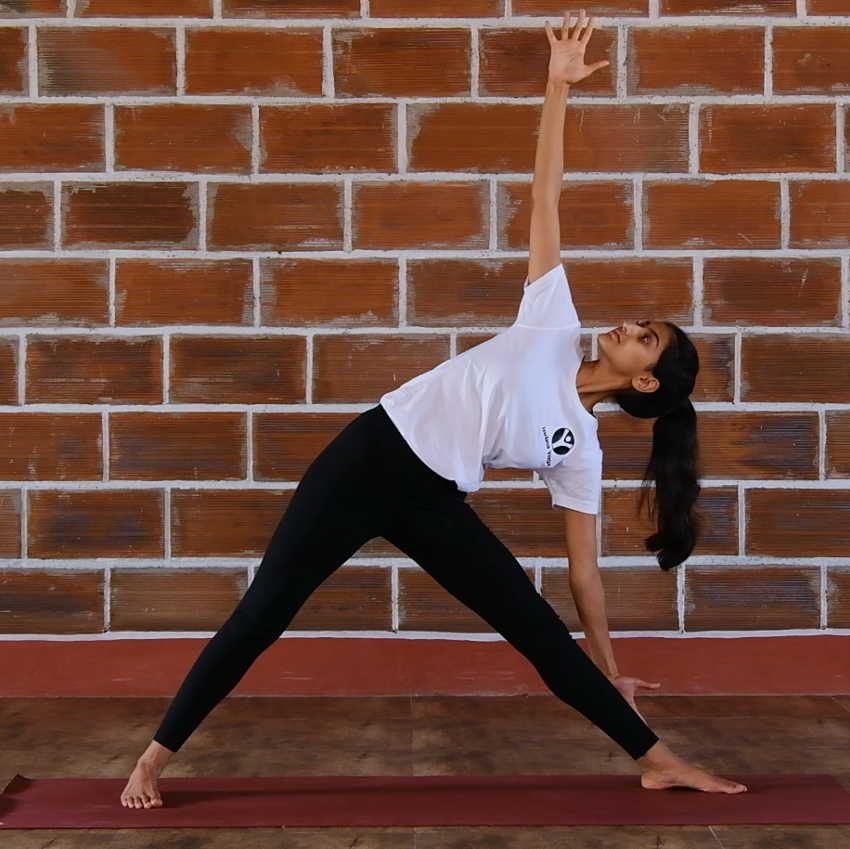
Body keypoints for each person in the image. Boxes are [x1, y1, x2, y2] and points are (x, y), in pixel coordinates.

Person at [121, 9, 746, 809]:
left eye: (645, 338)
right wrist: (558, 90)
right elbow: (546, 193)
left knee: (535, 625)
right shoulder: (551, 322)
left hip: (432, 496)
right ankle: (151, 759)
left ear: (646, 382)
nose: (628, 325)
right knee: (263, 613)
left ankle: (655, 757)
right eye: (638, 323)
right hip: (370, 456)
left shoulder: (580, 446)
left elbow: (585, 575)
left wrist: (609, 664)